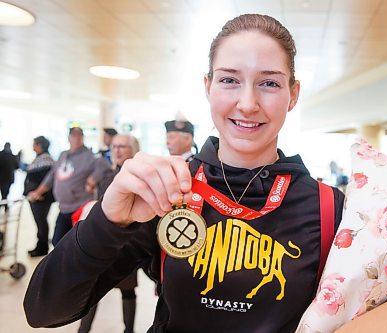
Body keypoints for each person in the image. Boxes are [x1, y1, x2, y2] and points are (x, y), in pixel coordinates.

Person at [24, 14, 344, 333]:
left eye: (270, 83)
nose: (247, 103)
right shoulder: (167, 190)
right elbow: (43, 311)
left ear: (294, 94)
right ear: (208, 86)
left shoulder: (329, 209)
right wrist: (107, 220)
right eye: (229, 79)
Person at [78, 134, 140, 333]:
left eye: (123, 146)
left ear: (133, 150)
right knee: (92, 290)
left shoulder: (137, 178)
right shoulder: (107, 178)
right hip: (104, 244)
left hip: (129, 244)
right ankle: (83, 330)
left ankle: (129, 330)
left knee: (128, 290)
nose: (117, 150)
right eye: (114, 146)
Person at [27, 127, 104, 246]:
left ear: (83, 138)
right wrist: (38, 192)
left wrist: (92, 179)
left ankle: (77, 263)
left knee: (81, 242)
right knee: (57, 241)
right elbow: (52, 176)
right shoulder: (63, 155)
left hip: (81, 207)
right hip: (64, 208)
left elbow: (105, 167)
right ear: (69, 138)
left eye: (79, 135)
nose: (77, 138)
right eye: (74, 135)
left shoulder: (90, 155)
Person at [24, 136, 55, 257]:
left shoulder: (46, 160)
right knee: (40, 223)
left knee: (41, 222)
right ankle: (40, 245)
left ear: (39, 145)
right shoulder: (40, 158)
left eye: (34, 144)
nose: (33, 146)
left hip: (40, 199)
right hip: (35, 198)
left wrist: (39, 194)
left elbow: (48, 182)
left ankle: (42, 248)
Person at [0, 142, 20, 208]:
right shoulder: (13, 156)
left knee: (3, 192)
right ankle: (4, 204)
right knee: (6, 192)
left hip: (2, 178)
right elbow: (17, 166)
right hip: (9, 178)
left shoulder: (1, 155)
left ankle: (4, 203)